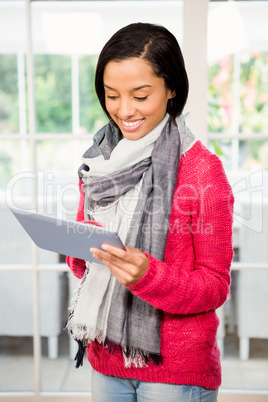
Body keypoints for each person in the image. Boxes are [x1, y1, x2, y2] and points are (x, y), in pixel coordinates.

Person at [66, 22, 234, 402]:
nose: (124, 111)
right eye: (111, 95)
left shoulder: (202, 171)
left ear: (171, 88)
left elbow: (215, 285)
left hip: (175, 371)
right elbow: (83, 266)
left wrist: (147, 275)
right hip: (106, 357)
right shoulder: (99, 164)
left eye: (141, 96)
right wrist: (82, 251)